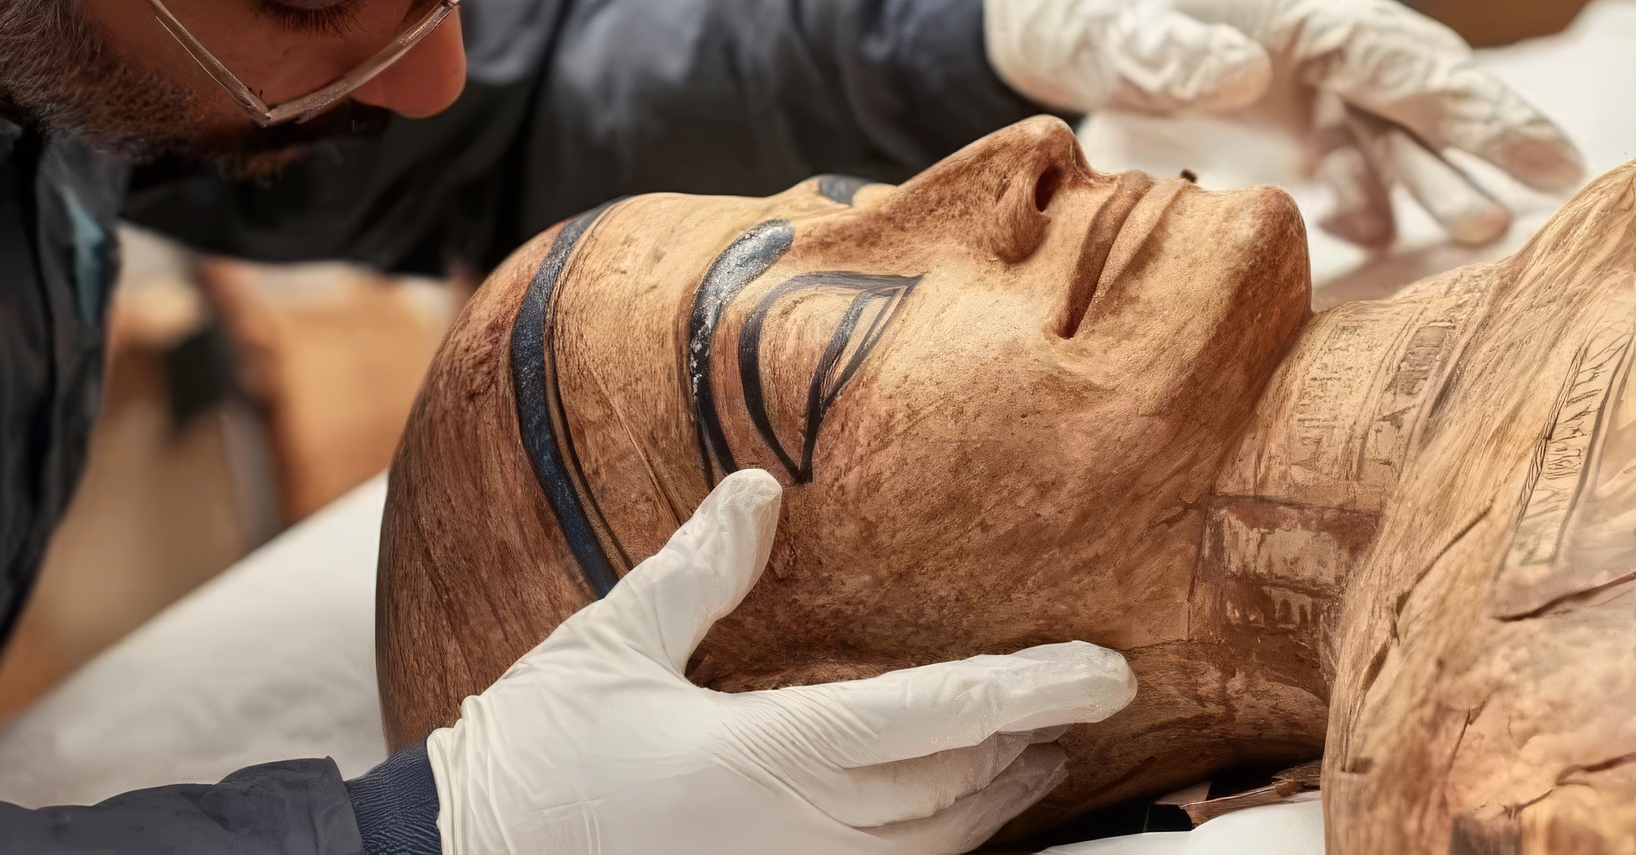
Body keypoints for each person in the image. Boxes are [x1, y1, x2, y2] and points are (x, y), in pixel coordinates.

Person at [0, 0, 1584, 852]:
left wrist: (985, 16)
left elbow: (526, 96)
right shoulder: (1520, 755)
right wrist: (428, 827)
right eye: (317, 1)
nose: (432, 74)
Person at [377, 116, 1636, 851]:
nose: (1023, 150)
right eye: (812, 341)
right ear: (844, 715)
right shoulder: (1531, 741)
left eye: (861, 194)